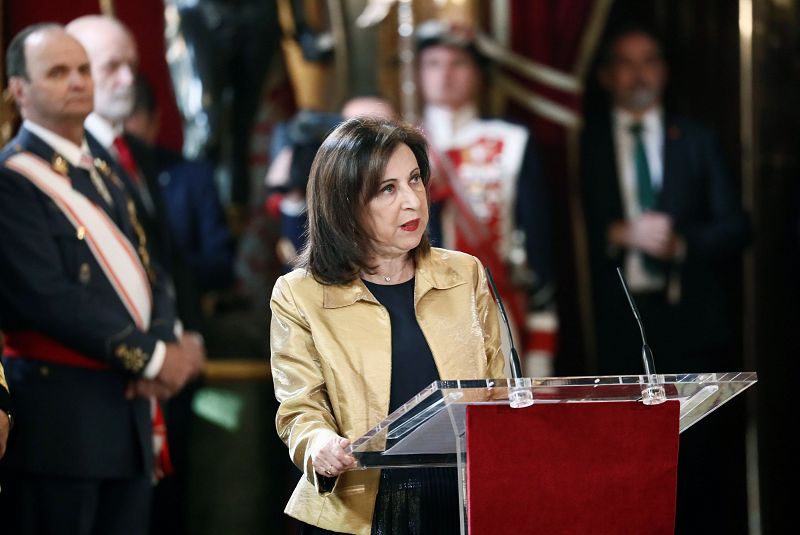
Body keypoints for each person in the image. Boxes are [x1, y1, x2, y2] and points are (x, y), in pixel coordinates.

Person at [0, 24, 203, 534]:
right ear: (19, 89)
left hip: (127, 412)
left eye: (83, 70)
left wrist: (165, 343)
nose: (77, 81)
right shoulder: (12, 178)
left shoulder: (104, 169)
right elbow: (48, 298)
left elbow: (148, 266)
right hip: (63, 423)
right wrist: (154, 357)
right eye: (58, 72)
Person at [270, 118, 504, 534]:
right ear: (344, 205)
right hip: (360, 507)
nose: (413, 201)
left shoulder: (465, 273)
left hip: (466, 498)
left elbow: (500, 391)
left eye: (415, 180)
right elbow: (299, 409)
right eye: (387, 189)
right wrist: (320, 445)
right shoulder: (299, 294)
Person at [580, 24, 751, 534]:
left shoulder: (695, 138)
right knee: (620, 459)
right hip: (612, 326)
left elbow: (739, 226)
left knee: (696, 458)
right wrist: (615, 232)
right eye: (626, 62)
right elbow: (557, 230)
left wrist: (683, 243)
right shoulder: (580, 142)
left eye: (649, 60)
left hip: (688, 322)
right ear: (607, 76)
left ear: (665, 71)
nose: (639, 73)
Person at [416, 20, 557, 377]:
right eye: (432, 63)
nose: (444, 76)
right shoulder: (402, 145)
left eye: (458, 63)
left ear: (480, 73)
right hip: (414, 313)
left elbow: (539, 245)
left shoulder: (510, 142)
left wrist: (542, 344)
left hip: (491, 309)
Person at [124, 74, 235, 294]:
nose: (122, 128)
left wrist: (159, 272)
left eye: (130, 115)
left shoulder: (191, 176)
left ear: (154, 120)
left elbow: (221, 265)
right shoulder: (95, 176)